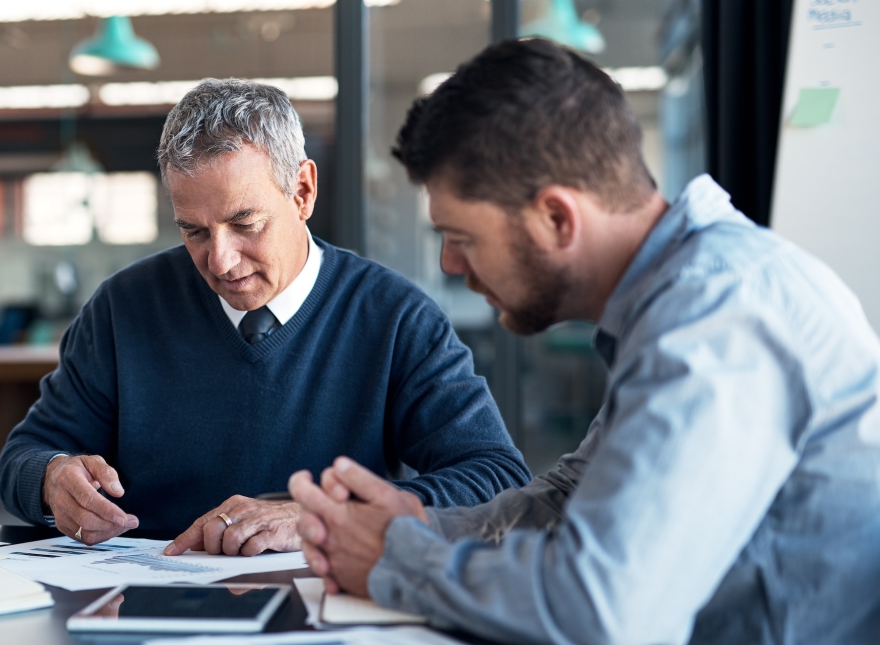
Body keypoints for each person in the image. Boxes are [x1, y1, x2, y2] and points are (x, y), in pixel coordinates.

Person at [289, 38, 880, 645]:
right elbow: (573, 494)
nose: (451, 262)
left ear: (557, 219)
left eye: (461, 236)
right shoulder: (676, 297)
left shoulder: (718, 315)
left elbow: (604, 610)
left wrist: (398, 559)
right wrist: (423, 526)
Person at [0, 78, 530, 557]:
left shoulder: (393, 318)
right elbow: (22, 456)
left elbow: (497, 478)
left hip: (324, 611)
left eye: (245, 223)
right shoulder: (123, 307)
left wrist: (325, 517)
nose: (220, 262)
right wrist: (51, 480)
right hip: (147, 603)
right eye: (194, 232)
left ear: (302, 192)